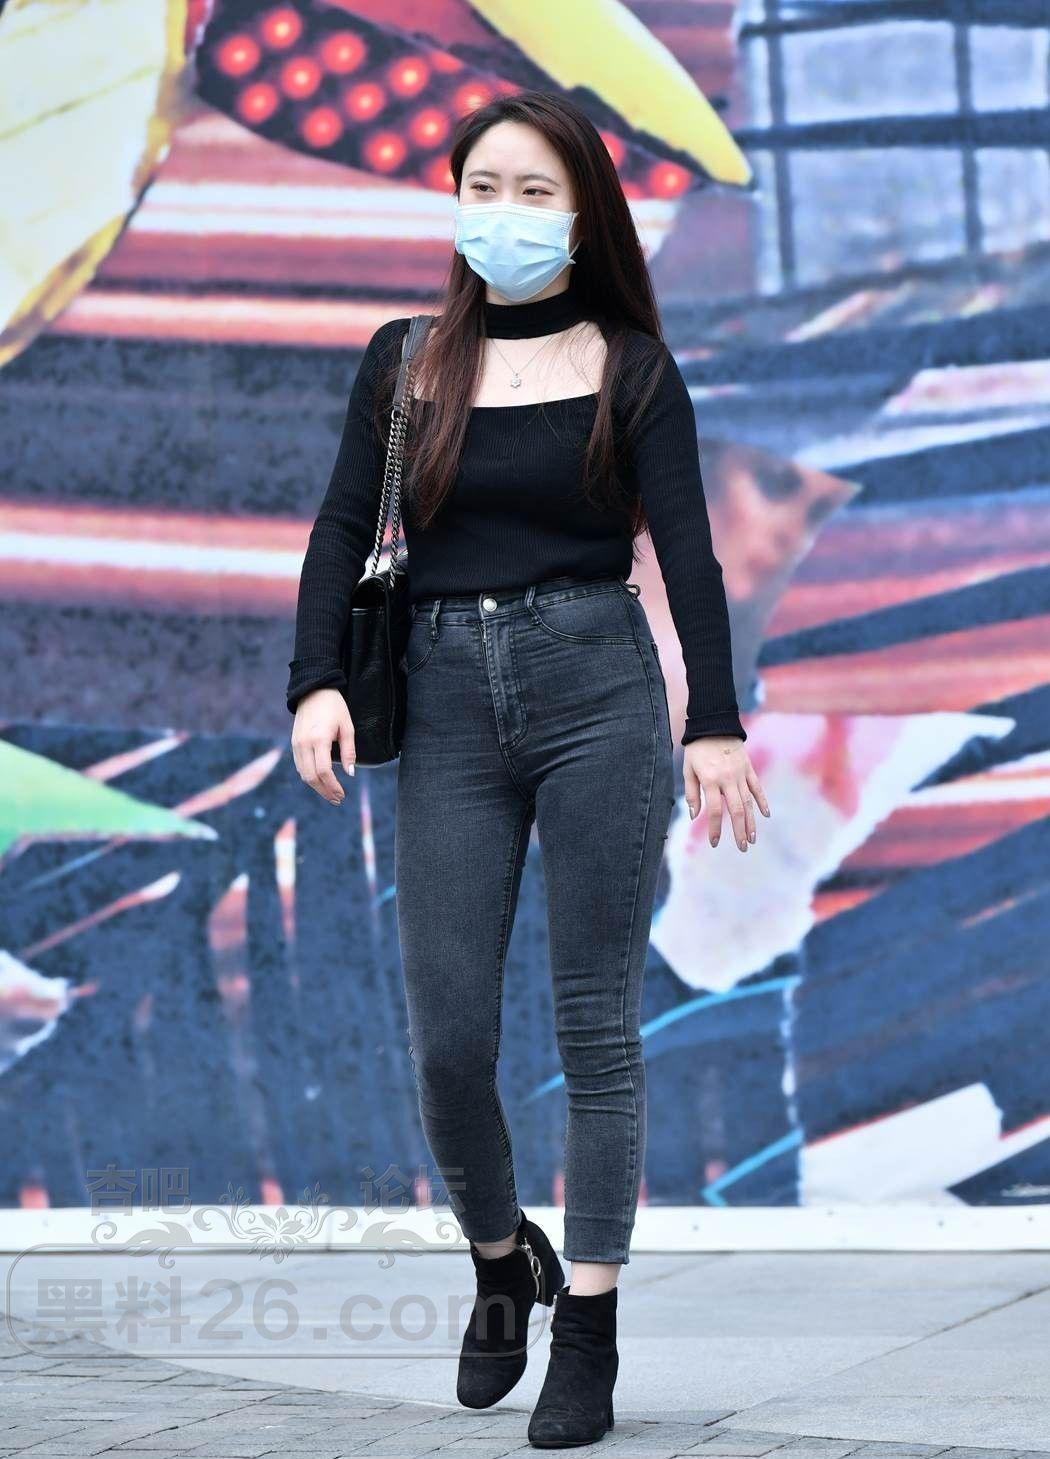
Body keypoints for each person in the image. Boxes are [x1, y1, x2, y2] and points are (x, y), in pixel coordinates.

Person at [288, 90, 770, 1448]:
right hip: (444, 695)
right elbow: (340, 527)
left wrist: (713, 722)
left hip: (595, 685)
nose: (503, 215)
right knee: (448, 1040)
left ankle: (591, 1333)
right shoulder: (405, 362)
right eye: (482, 190)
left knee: (594, 1026)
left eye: (535, 193)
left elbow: (688, 554)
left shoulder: (631, 368)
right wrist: (314, 681)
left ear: (583, 216)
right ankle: (503, 1258)